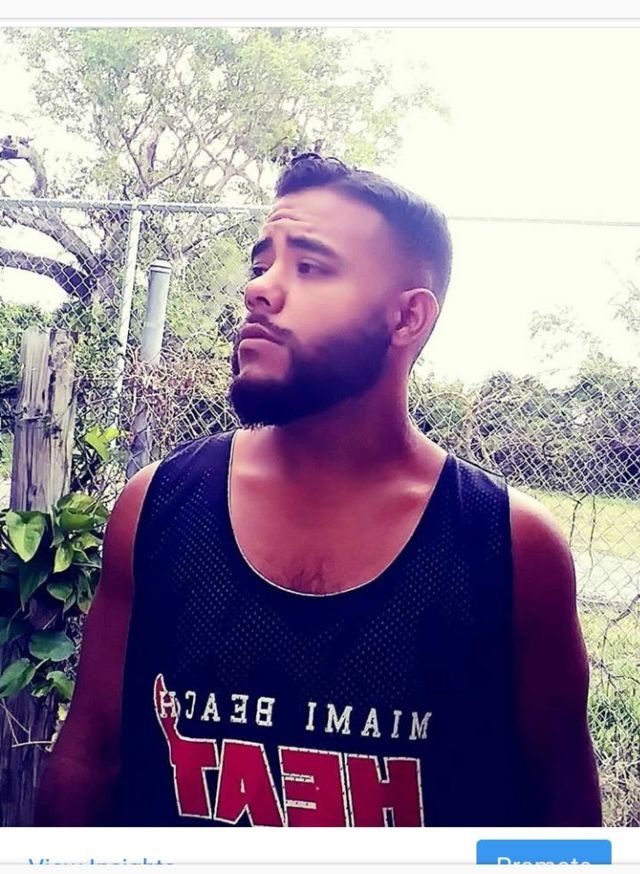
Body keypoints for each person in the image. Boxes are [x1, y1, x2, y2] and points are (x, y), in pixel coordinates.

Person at [35, 152, 602, 827]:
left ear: (407, 318)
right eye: (261, 264)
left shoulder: (510, 548)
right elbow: (90, 758)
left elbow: (563, 821)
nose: (259, 289)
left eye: (309, 267)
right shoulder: (156, 505)